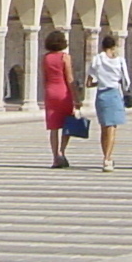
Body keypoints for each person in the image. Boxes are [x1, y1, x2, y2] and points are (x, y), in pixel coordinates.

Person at [87, 32, 131, 172]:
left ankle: (105, 156)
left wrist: (100, 82)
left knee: (104, 127)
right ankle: (108, 158)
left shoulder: (97, 60)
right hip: (114, 94)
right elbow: (127, 82)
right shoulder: (120, 61)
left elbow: (89, 82)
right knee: (112, 128)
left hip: (101, 94)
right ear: (113, 47)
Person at [42, 28, 79, 168]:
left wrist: (46, 92)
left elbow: (44, 78)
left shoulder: (46, 58)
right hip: (63, 92)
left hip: (51, 92)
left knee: (53, 127)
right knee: (66, 124)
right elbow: (69, 78)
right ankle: (62, 152)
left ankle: (54, 157)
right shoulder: (65, 57)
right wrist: (76, 98)